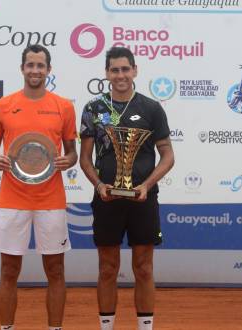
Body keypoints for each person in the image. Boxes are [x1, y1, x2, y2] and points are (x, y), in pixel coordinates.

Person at [79, 47, 174, 330]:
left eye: (125, 69)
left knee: (143, 268)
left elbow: (168, 155)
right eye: (114, 70)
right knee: (107, 269)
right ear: (106, 73)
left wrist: (147, 185)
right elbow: (85, 158)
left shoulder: (151, 108)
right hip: (106, 200)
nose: (120, 75)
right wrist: (98, 185)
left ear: (135, 70)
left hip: (143, 200)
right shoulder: (94, 109)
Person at [0, 44, 78, 330]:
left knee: (56, 270)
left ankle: (55, 328)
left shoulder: (64, 106)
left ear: (49, 70)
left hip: (51, 199)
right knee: (9, 270)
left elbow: (73, 152)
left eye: (40, 65)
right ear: (22, 68)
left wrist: (67, 161)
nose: (35, 70)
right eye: (30, 65)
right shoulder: (2, 106)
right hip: (13, 199)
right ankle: (7, 327)